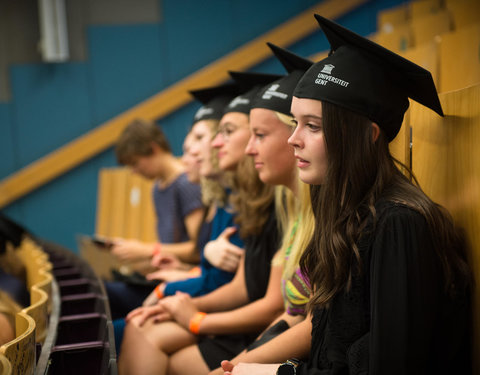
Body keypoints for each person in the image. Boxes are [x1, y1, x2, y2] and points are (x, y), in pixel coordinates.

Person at [224, 15, 472, 375]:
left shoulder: (398, 225)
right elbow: (327, 343)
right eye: (295, 123)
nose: (294, 139)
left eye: (314, 126)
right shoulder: (342, 211)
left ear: (367, 135)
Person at [118, 71, 286, 375]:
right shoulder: (246, 200)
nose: (207, 147)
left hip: (246, 326)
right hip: (234, 315)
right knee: (136, 326)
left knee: (137, 329)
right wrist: (183, 279)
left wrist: (190, 309)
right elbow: (236, 281)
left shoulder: (273, 203)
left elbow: (260, 297)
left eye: (203, 138)